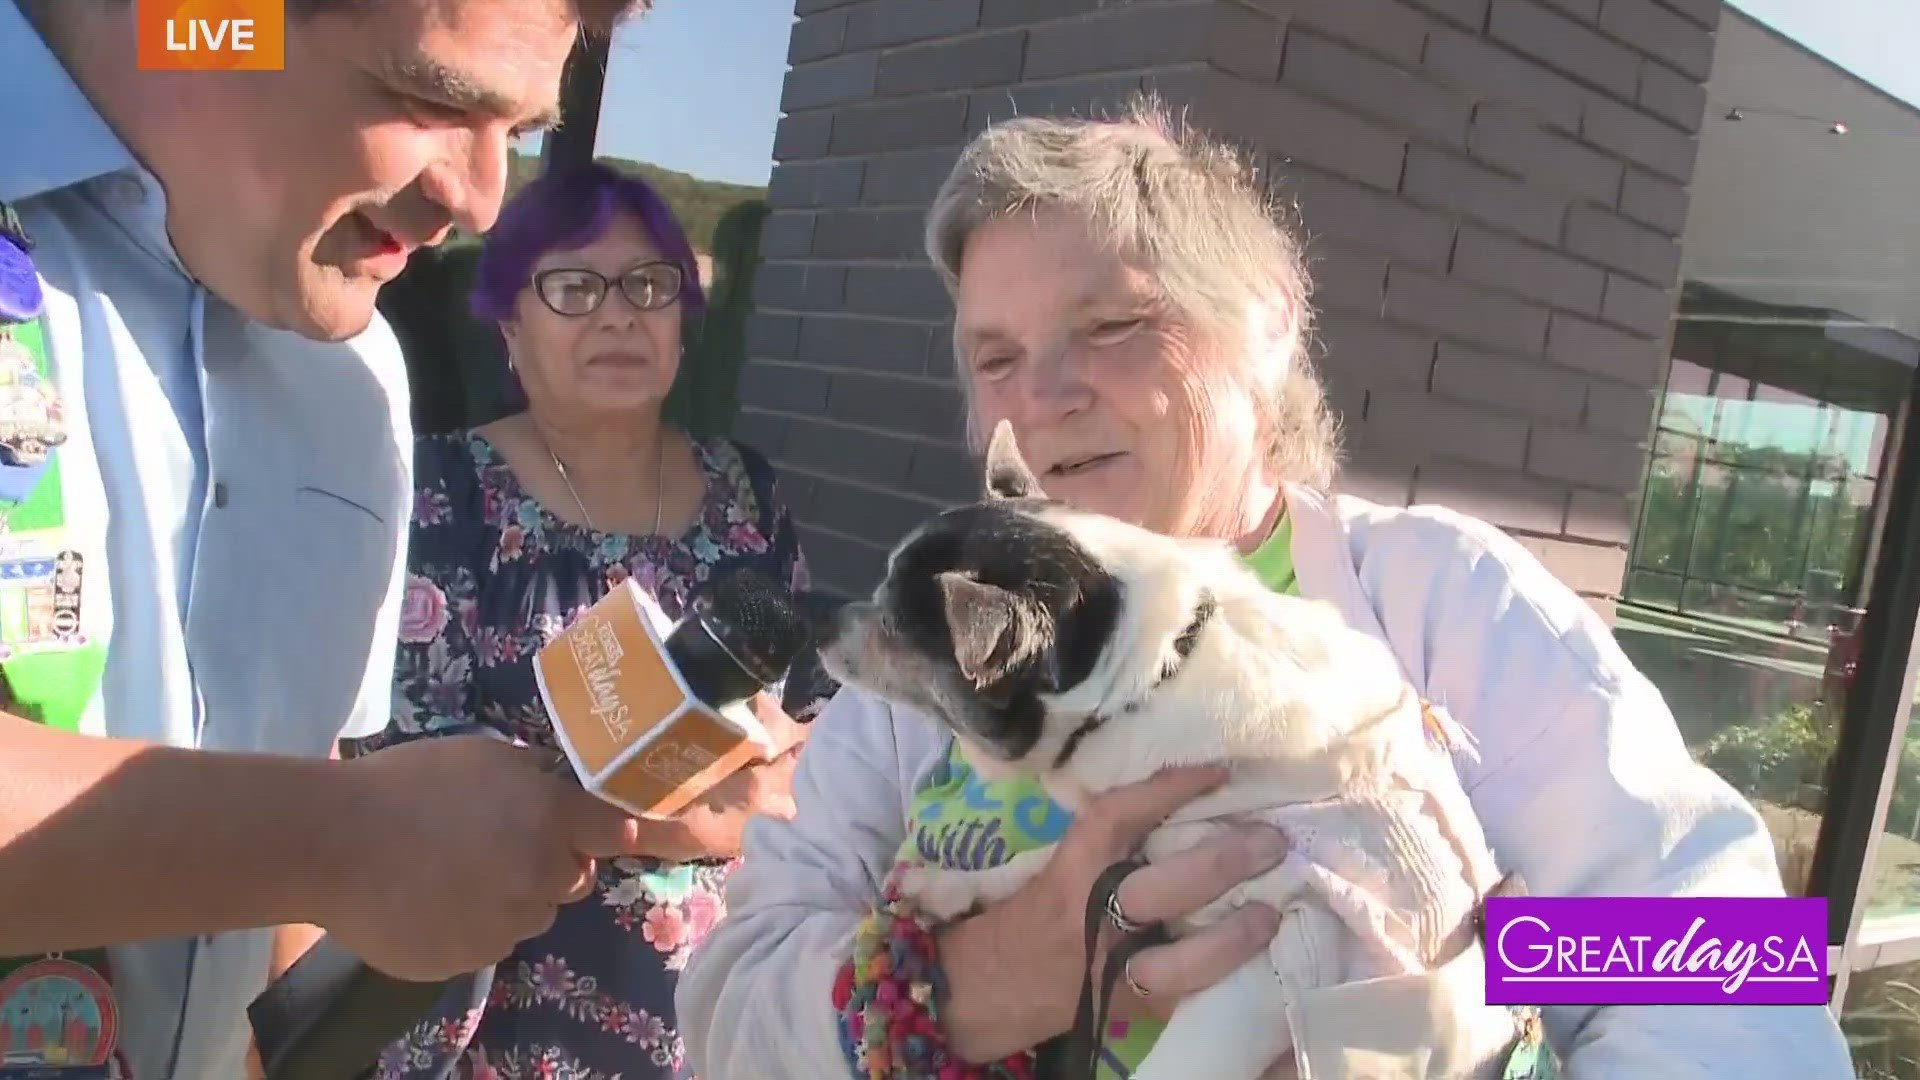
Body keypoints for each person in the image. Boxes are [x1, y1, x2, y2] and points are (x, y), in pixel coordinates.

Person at [675, 99, 1856, 1079]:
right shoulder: (932, 679)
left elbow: (1728, 966)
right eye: (996, 358)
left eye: (1114, 324)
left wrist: (1459, 1014)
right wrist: (983, 982)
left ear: (1268, 330)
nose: (1043, 396)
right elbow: (725, 1007)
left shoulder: (1437, 604)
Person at [0, 0, 657, 1076]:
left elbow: (301, 792)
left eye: (522, 133)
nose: (484, 200)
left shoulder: (357, 377)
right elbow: (321, 829)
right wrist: (336, 841)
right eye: (432, 96)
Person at [352, 161, 831, 1079]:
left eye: (650, 287)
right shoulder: (440, 493)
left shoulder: (748, 492)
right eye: (574, 287)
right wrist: (661, 825)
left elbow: (815, 703)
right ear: (509, 324)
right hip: (491, 992)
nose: (619, 315)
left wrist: (785, 770)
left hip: (715, 1000)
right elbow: (395, 762)